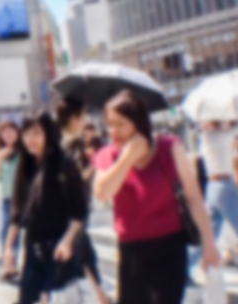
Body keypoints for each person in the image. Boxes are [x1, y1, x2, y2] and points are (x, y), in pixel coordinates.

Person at [94, 90, 220, 304]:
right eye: (110, 124)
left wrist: (209, 244)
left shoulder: (169, 147)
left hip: (169, 247)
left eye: (121, 124)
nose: (114, 131)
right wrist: (127, 157)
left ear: (138, 123)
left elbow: (194, 198)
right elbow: (103, 193)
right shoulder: (109, 155)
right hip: (132, 250)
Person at [3, 113, 86, 304]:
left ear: (48, 133)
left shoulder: (64, 164)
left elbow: (79, 211)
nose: (30, 139)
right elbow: (17, 211)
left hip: (58, 247)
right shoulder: (26, 166)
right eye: (26, 133)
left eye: (36, 133)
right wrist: (9, 246)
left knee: (51, 298)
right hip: (33, 245)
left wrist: (67, 241)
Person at [187, 120, 238, 280]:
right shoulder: (214, 135)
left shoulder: (207, 136)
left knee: (209, 234)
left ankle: (185, 266)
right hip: (224, 186)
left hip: (213, 187)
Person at [55, 99, 112, 304]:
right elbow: (76, 177)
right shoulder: (73, 144)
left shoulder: (56, 140)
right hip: (73, 206)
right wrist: (93, 168)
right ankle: (100, 294)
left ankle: (100, 293)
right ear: (74, 119)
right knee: (78, 250)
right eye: (83, 117)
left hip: (64, 206)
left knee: (82, 249)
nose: (85, 122)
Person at [0, 121, 23, 281]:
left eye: (11, 130)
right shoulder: (1, 154)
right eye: (5, 131)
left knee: (21, 232)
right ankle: (9, 265)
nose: (8, 134)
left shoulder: (24, 151)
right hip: (8, 198)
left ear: (17, 132)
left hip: (26, 198)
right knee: (7, 231)